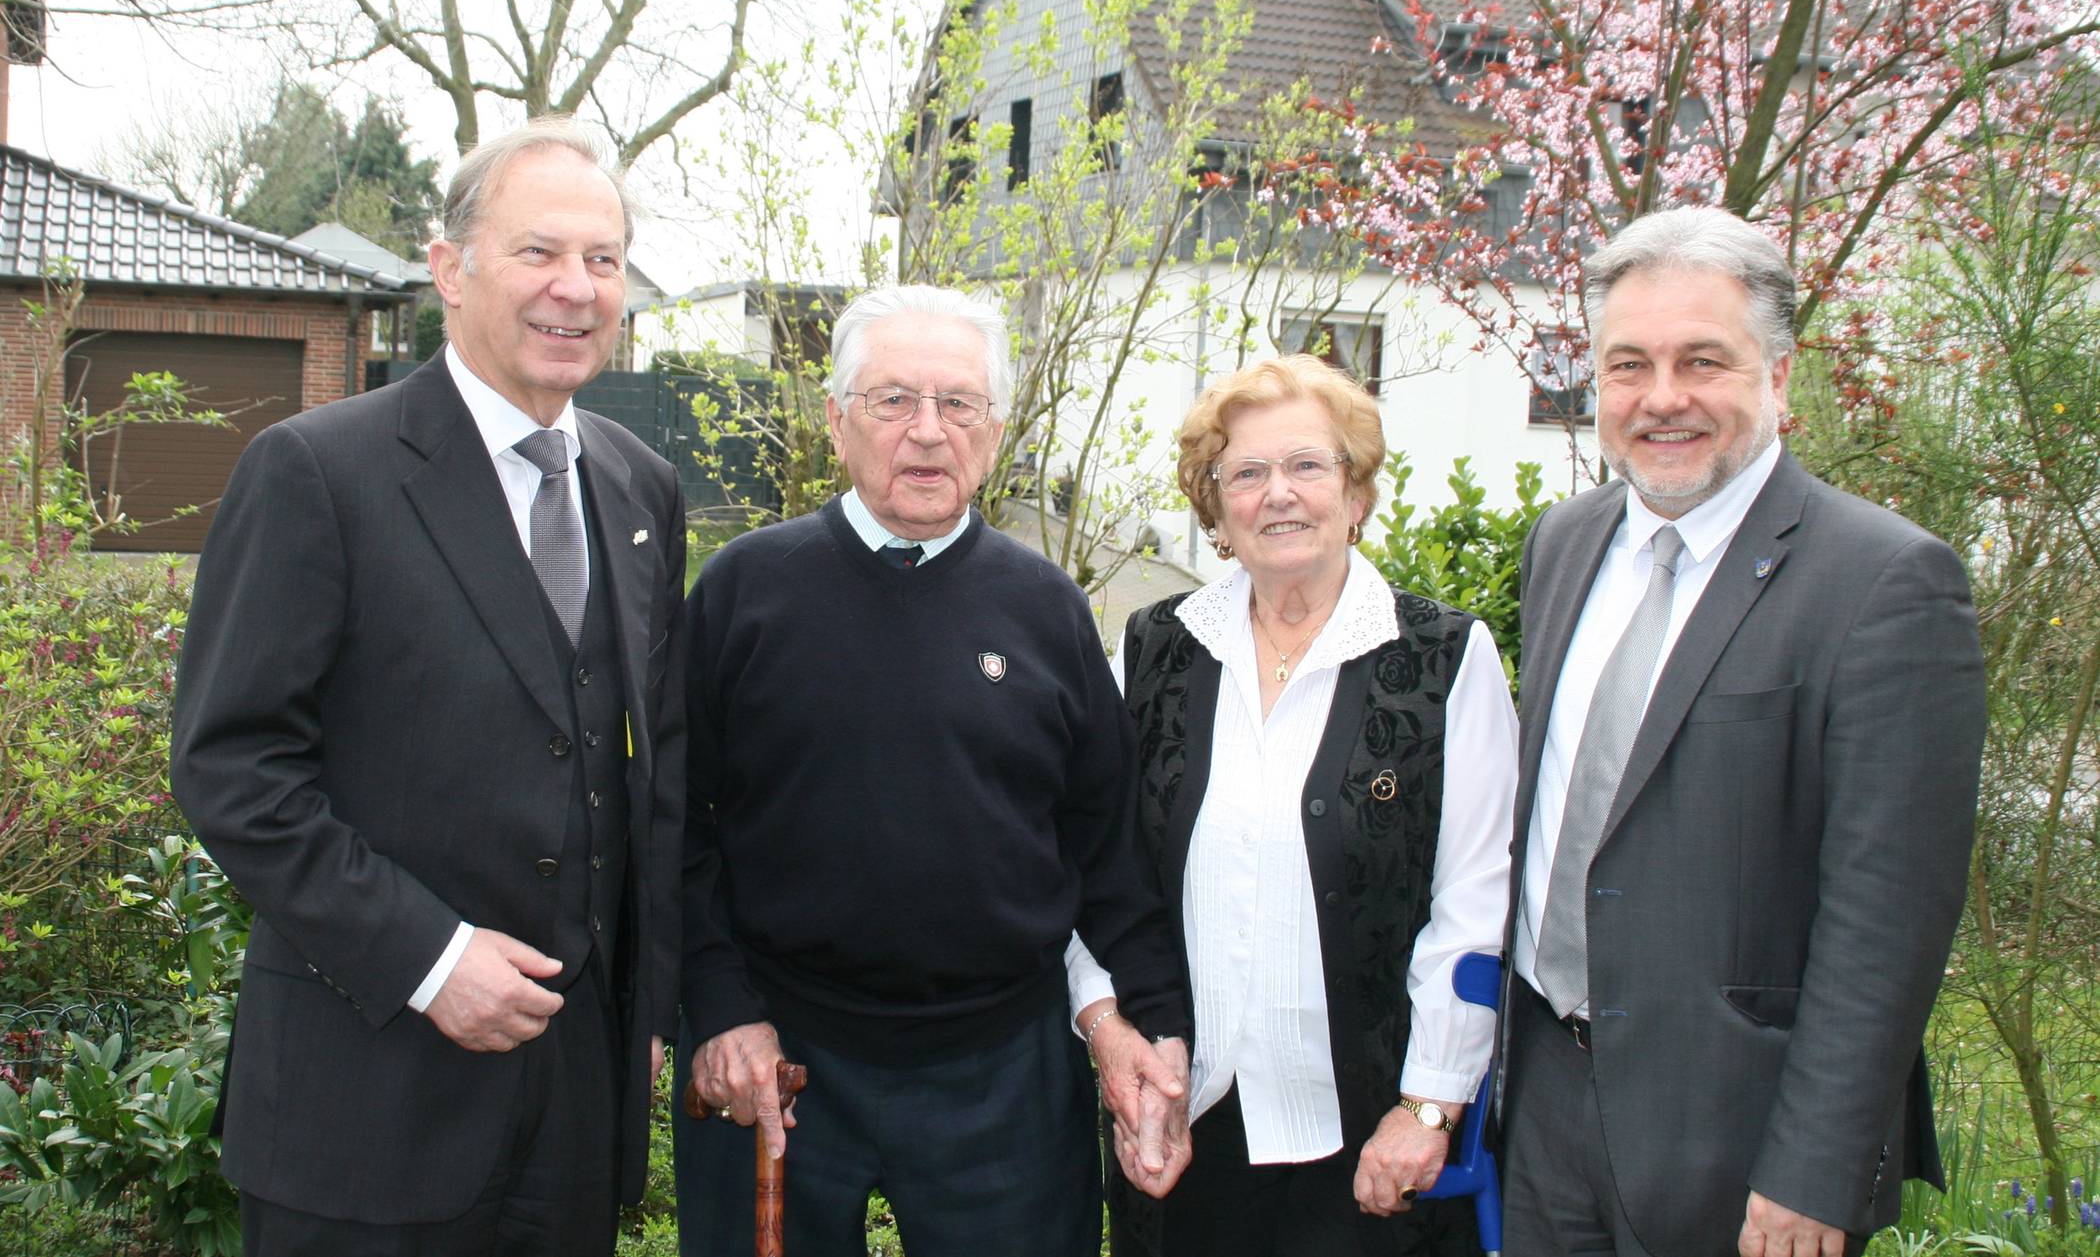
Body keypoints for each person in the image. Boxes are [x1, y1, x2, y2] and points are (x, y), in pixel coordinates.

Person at [170, 116, 687, 1256]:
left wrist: (647, 1003)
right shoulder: (317, 471)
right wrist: (431, 957)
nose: (577, 288)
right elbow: (231, 767)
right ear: (449, 270)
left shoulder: (640, 487)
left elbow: (648, 767)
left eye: (603, 259)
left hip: (573, 1108)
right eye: (538, 252)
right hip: (365, 1101)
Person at [1498, 206, 1987, 1255]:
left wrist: (1816, 1168)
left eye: (1702, 360)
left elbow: (1888, 921)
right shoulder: (1565, 542)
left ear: (1779, 372)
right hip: (1542, 1102)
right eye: (1628, 364)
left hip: (1739, 1144)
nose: (1661, 397)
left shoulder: (1885, 584)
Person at [676, 283, 1193, 1257]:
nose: (927, 431)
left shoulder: (1048, 610)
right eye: (892, 399)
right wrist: (719, 1008)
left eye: (958, 403)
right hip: (780, 1056)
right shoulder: (744, 591)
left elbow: (1108, 849)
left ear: (994, 430)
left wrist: (1155, 1022)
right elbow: (680, 828)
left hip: (1003, 1070)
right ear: (836, 420)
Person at [1068, 354, 1520, 1256]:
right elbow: (1091, 863)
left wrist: (1429, 1104)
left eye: (1309, 465)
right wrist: (1111, 1030)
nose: (1280, 493)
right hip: (1183, 1124)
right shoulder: (1153, 652)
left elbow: (1477, 900)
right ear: (1217, 509)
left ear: (1355, 494)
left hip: (1370, 1141)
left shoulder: (1442, 660)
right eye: (1247, 471)